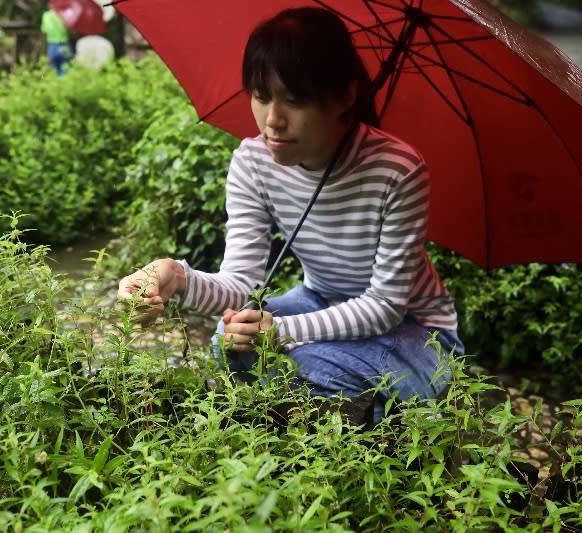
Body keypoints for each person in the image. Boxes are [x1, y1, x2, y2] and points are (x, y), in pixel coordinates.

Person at [117, 7, 463, 422]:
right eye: (261, 97)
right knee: (231, 338)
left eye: (295, 101)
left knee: (307, 364)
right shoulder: (252, 163)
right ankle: (346, 414)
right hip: (322, 299)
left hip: (415, 328)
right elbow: (243, 285)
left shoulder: (397, 169)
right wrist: (175, 277)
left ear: (345, 97)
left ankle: (387, 423)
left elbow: (386, 304)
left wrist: (282, 331)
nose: (273, 121)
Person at [40, 5, 72, 75]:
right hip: (64, 45)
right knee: (65, 72)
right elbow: (70, 30)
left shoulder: (46, 15)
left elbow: (44, 31)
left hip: (52, 46)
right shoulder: (65, 14)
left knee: (53, 72)